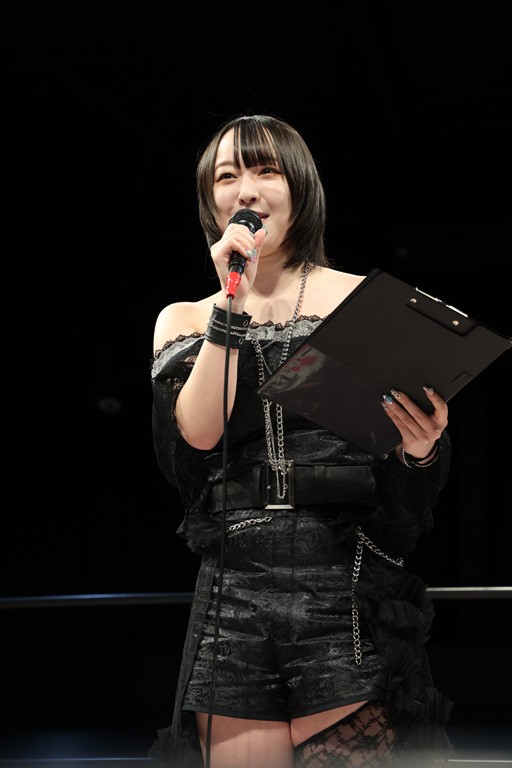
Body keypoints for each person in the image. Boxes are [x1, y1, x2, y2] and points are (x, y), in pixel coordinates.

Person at [149, 113, 453, 768]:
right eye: (226, 176)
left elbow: (410, 489)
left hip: (340, 579)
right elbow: (195, 439)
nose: (246, 190)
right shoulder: (186, 317)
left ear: (300, 186)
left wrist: (421, 447)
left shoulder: (362, 300)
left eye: (266, 170)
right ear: (209, 200)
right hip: (233, 587)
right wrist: (231, 303)